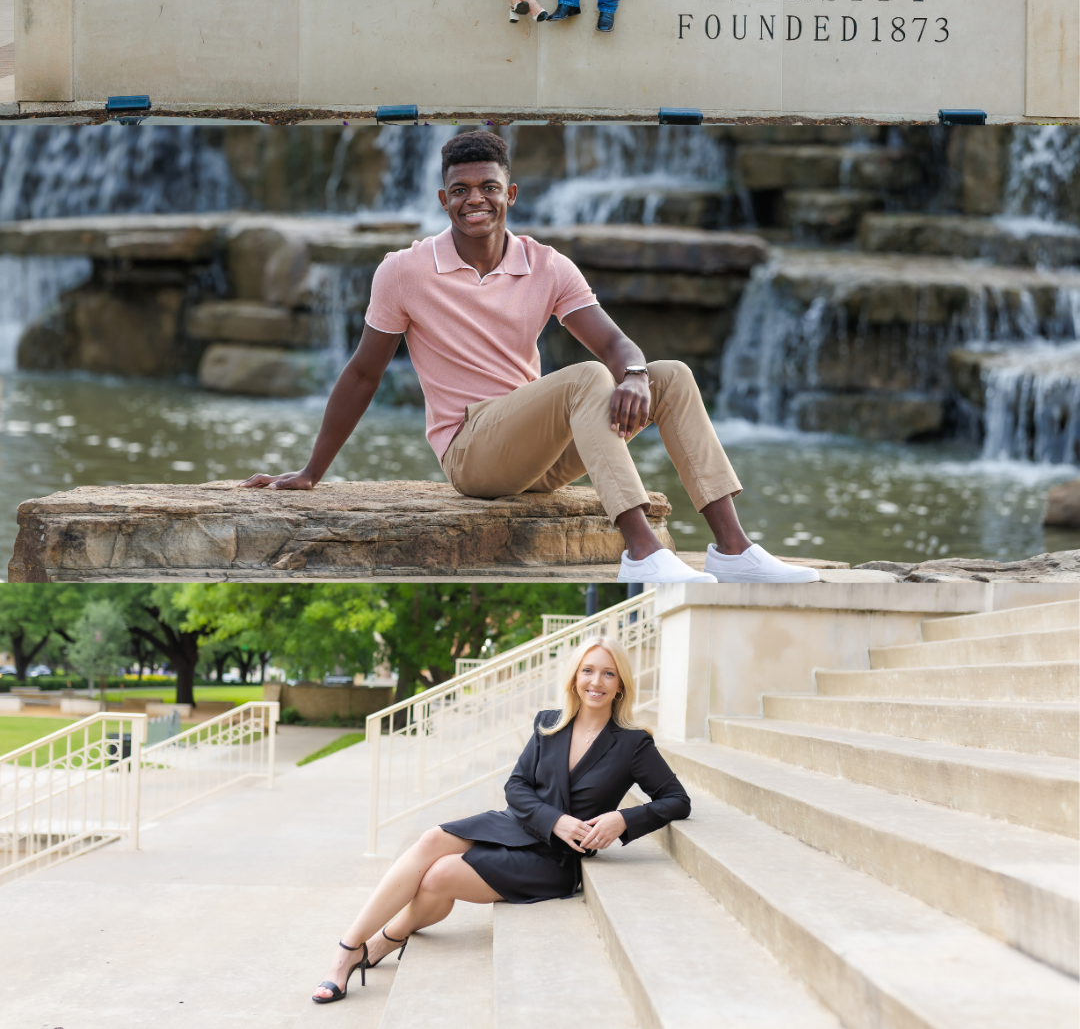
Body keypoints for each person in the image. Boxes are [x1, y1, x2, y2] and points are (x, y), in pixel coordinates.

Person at [241, 128, 818, 588]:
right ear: (443, 200)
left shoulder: (546, 265)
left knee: (670, 375)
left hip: (541, 458)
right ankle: (642, 550)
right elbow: (364, 372)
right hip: (472, 451)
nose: (475, 199)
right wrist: (312, 471)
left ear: (509, 194)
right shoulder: (404, 270)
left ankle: (734, 549)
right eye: (461, 189)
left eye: (488, 187)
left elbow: (619, 346)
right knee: (588, 378)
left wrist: (637, 374)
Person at [310, 636, 691, 1003]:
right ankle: (347, 952)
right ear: (575, 677)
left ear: (621, 683)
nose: (596, 681)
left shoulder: (632, 743)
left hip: (554, 858)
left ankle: (387, 939)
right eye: (588, 670)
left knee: (440, 875)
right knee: (430, 841)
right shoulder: (550, 723)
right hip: (516, 822)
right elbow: (517, 784)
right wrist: (554, 818)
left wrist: (622, 819)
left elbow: (677, 800)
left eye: (608, 673)